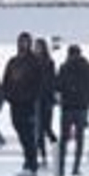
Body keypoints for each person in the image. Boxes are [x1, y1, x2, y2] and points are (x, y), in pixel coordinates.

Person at [55, 45, 89, 176]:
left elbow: (58, 86)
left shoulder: (64, 67)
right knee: (80, 140)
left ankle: (61, 168)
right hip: (82, 108)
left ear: (69, 54)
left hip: (67, 108)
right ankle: (75, 168)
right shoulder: (88, 68)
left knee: (64, 139)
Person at [4, 33, 44, 176]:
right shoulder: (13, 61)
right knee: (21, 132)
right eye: (21, 42)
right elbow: (6, 79)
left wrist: (31, 97)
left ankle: (31, 164)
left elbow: (38, 83)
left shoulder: (34, 62)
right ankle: (28, 161)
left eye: (26, 42)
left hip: (27, 104)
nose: (23, 45)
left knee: (28, 135)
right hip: (15, 102)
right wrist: (8, 95)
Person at [33, 38, 58, 166]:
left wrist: (53, 97)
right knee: (38, 130)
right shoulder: (31, 62)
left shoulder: (49, 63)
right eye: (36, 47)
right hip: (36, 100)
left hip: (46, 100)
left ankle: (56, 149)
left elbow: (53, 81)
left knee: (46, 128)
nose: (38, 49)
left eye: (40, 47)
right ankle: (42, 156)